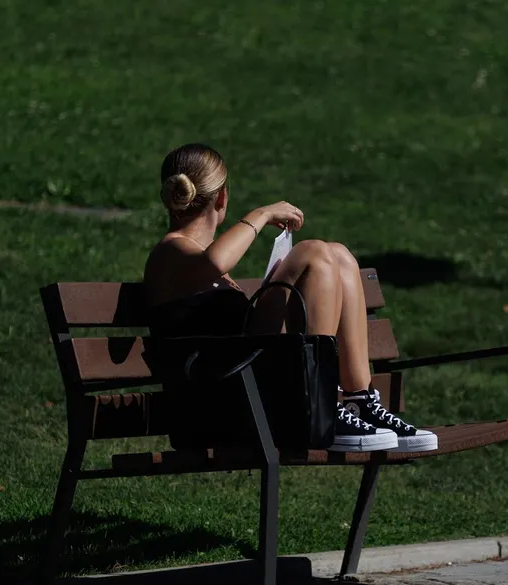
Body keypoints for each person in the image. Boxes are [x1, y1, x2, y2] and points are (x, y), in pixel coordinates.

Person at [143, 143, 437, 453]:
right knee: (312, 252)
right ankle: (322, 406)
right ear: (222, 197)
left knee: (338, 255)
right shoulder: (170, 252)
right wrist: (261, 214)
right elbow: (215, 262)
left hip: (247, 385)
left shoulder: (196, 264)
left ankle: (359, 401)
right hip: (218, 404)